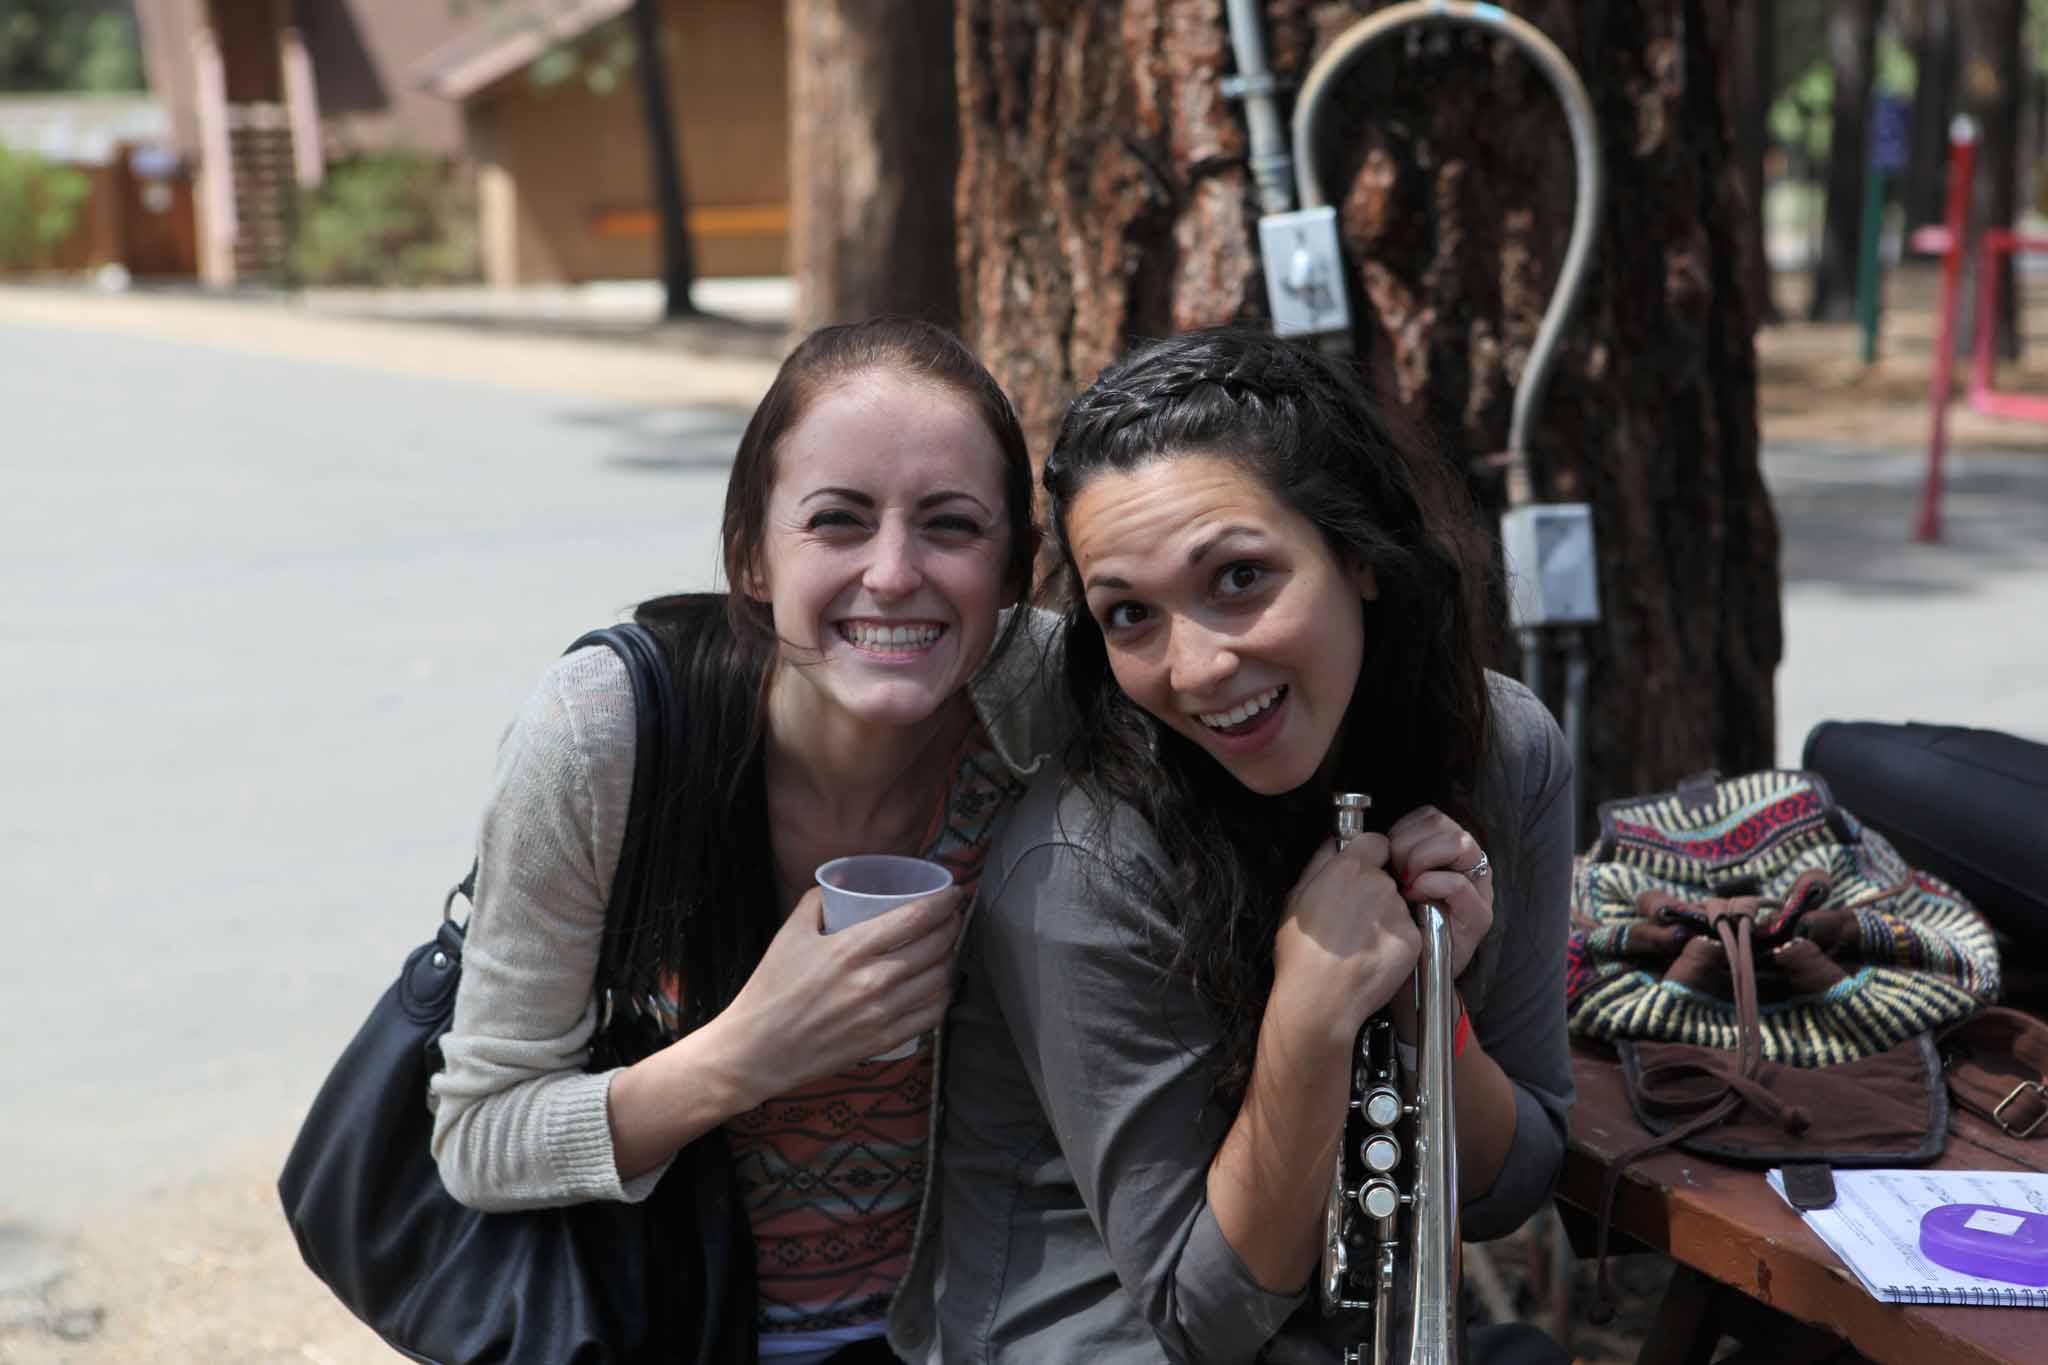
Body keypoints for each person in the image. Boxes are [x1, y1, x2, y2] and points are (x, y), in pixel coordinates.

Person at [919, 327, 1576, 1364]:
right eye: (1129, 615)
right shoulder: (1078, 865)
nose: (1194, 668)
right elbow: (1204, 1316)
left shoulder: (1504, 753)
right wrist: (1310, 1018)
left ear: (1357, 554)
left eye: (1238, 578)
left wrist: (1427, 1006)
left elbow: (1512, 1185)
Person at [428, 317, 1064, 1365]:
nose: (893, 572)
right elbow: (479, 1137)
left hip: (979, 1329)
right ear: (750, 557)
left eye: (951, 526)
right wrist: (749, 1052)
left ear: (1010, 572)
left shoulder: (1051, 705)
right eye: (837, 521)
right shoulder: (608, 735)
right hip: (688, 1326)